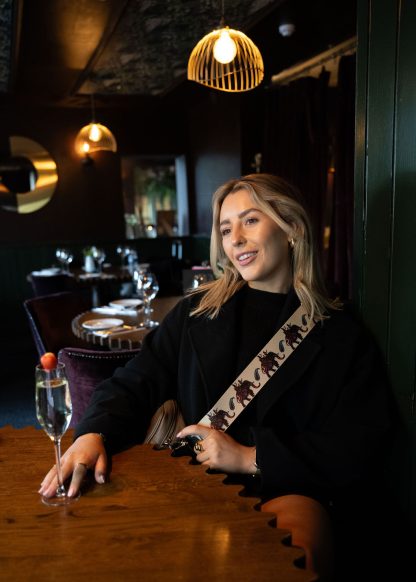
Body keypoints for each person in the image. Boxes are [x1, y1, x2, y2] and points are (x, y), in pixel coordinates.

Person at [39, 174, 392, 581]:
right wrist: (92, 434)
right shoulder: (196, 314)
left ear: (292, 228)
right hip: (192, 486)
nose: (236, 238)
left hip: (285, 487)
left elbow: (359, 443)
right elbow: (134, 382)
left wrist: (249, 456)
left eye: (251, 221)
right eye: (226, 229)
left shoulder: (339, 334)